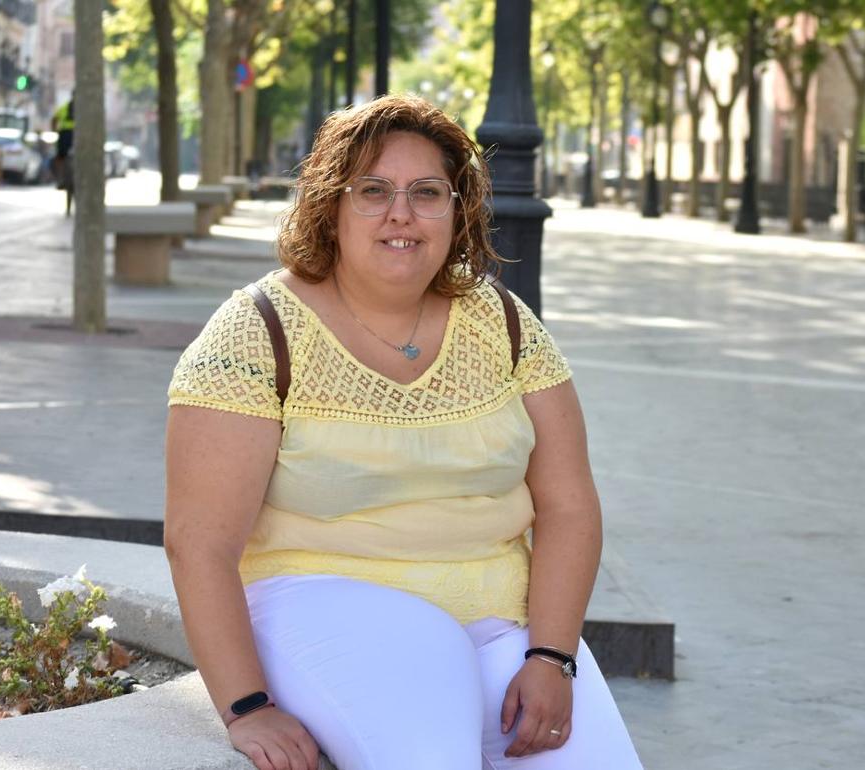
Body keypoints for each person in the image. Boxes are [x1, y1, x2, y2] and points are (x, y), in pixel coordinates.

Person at [164, 94, 643, 770]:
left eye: (426, 193)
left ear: (458, 209)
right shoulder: (256, 331)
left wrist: (552, 656)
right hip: (316, 603)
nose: (401, 214)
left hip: (499, 623)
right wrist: (247, 706)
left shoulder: (504, 324)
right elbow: (197, 541)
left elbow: (569, 504)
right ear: (330, 206)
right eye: (373, 191)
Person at [51, 92, 75, 216]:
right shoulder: (83, 108)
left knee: (60, 157)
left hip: (65, 135)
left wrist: (55, 130)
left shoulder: (65, 107)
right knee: (60, 157)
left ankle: (60, 178)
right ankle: (60, 178)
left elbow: (54, 119)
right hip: (76, 135)